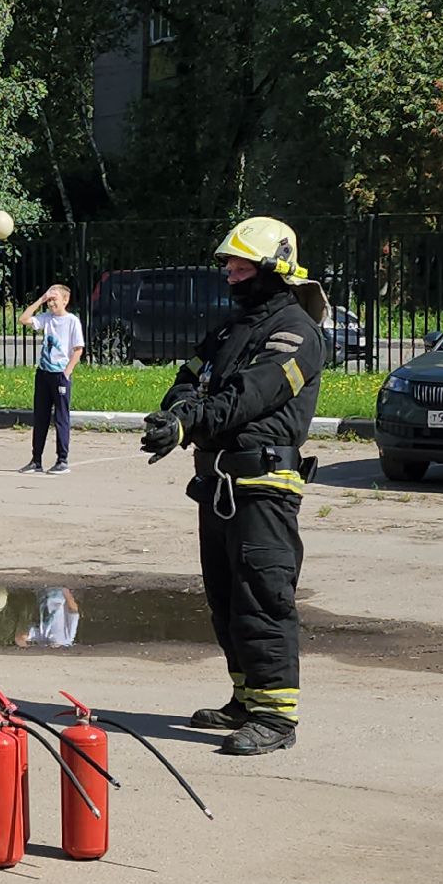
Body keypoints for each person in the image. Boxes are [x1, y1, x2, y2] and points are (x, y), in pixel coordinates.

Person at [140, 216, 328, 756]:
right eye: (228, 263)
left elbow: (251, 395)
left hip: (264, 486)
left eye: (241, 264)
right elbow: (186, 380)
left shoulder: (297, 333)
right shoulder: (228, 330)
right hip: (218, 485)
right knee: (224, 599)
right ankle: (246, 700)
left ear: (274, 270)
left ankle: (276, 717)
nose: (230, 272)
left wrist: (189, 423)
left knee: (262, 598)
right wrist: (175, 415)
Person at [18, 285, 85, 475]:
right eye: (50, 299)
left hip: (60, 375)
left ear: (65, 300)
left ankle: (62, 459)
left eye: (55, 298)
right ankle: (36, 460)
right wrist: (40, 300)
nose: (52, 302)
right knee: (40, 417)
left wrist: (66, 373)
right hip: (44, 373)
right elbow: (23, 319)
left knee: (61, 417)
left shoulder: (72, 321)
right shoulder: (46, 319)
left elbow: (78, 349)